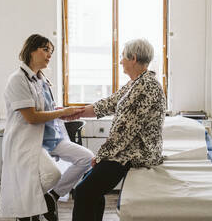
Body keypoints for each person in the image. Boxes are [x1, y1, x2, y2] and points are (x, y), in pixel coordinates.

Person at [67, 38, 166, 221]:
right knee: (90, 190)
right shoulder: (136, 83)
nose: (120, 61)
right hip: (126, 150)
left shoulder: (145, 87)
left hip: (136, 152)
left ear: (133, 58)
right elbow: (107, 104)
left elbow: (124, 131)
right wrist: (74, 113)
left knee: (83, 191)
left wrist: (102, 156)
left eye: (122, 57)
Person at [0, 34, 94, 221]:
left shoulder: (41, 79)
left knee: (87, 158)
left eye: (51, 51)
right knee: (51, 175)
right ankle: (27, 208)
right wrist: (62, 112)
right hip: (29, 141)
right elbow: (32, 117)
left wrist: (65, 112)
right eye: (45, 50)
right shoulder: (18, 79)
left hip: (51, 137)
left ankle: (51, 197)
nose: (49, 55)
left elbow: (46, 110)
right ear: (31, 50)